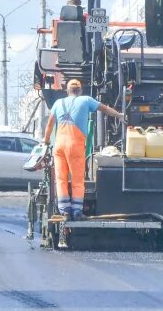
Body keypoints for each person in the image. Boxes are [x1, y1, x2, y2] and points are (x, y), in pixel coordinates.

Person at [43, 79, 124, 220]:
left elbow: (50, 125)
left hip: (59, 146)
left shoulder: (58, 103)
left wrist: (46, 141)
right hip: (75, 146)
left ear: (67, 91)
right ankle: (76, 211)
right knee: (77, 179)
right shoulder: (86, 100)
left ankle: (65, 212)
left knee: (61, 179)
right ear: (80, 90)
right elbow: (105, 109)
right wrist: (120, 115)